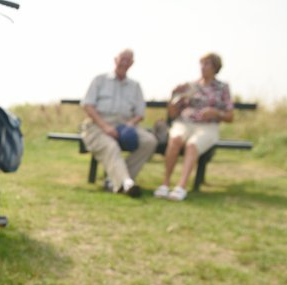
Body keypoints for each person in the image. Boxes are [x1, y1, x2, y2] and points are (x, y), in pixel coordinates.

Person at [156, 53, 234, 201]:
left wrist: (216, 113)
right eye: (202, 64)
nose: (203, 67)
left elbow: (230, 116)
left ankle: (181, 187)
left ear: (215, 67)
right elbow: (172, 113)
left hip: (208, 127)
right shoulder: (190, 86)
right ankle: (165, 184)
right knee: (175, 139)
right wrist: (173, 95)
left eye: (207, 64)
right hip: (184, 122)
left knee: (192, 145)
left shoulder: (222, 88)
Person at [81, 49, 157, 198]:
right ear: (115, 59)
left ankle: (116, 180)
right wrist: (105, 127)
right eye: (122, 59)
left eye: (128, 60)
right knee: (111, 147)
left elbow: (140, 113)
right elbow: (88, 106)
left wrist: (130, 124)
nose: (124, 62)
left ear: (132, 63)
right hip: (98, 125)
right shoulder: (100, 80)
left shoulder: (135, 86)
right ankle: (126, 183)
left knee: (149, 141)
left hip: (125, 124)